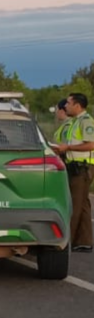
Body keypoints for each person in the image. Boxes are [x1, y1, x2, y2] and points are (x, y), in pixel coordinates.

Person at [51, 93, 94, 253]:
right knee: (82, 204)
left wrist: (67, 148)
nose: (65, 106)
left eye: (68, 103)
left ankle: (66, 241)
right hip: (74, 164)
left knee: (74, 204)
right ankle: (84, 241)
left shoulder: (86, 122)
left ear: (77, 105)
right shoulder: (75, 122)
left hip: (82, 167)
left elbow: (91, 145)